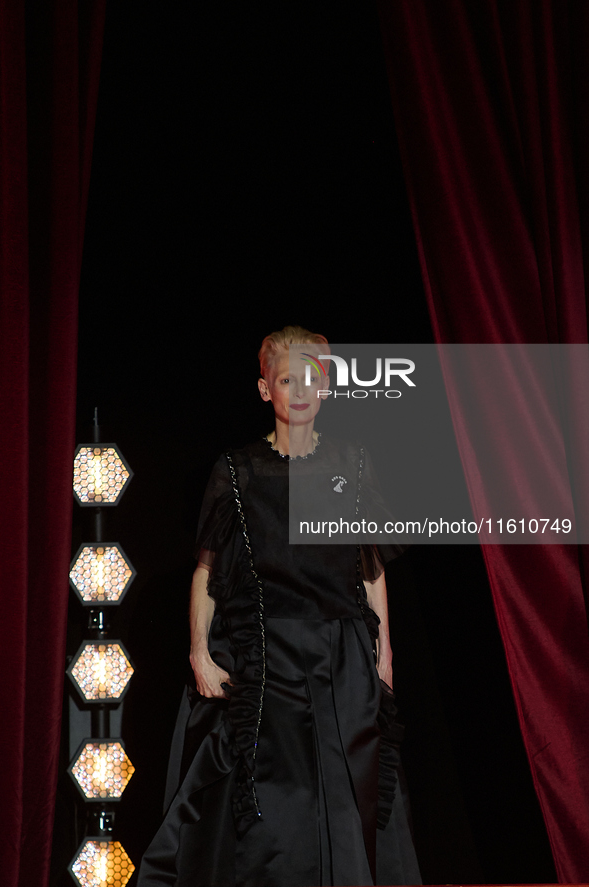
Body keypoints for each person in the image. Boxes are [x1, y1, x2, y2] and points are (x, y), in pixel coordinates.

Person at [137, 325, 421, 887]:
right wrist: (199, 651)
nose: (299, 389)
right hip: (270, 659)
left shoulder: (351, 463)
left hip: (342, 658)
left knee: (349, 800)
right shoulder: (239, 471)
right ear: (266, 388)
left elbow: (370, 567)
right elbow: (207, 571)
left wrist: (384, 651)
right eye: (286, 378)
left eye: (311, 377)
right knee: (276, 811)